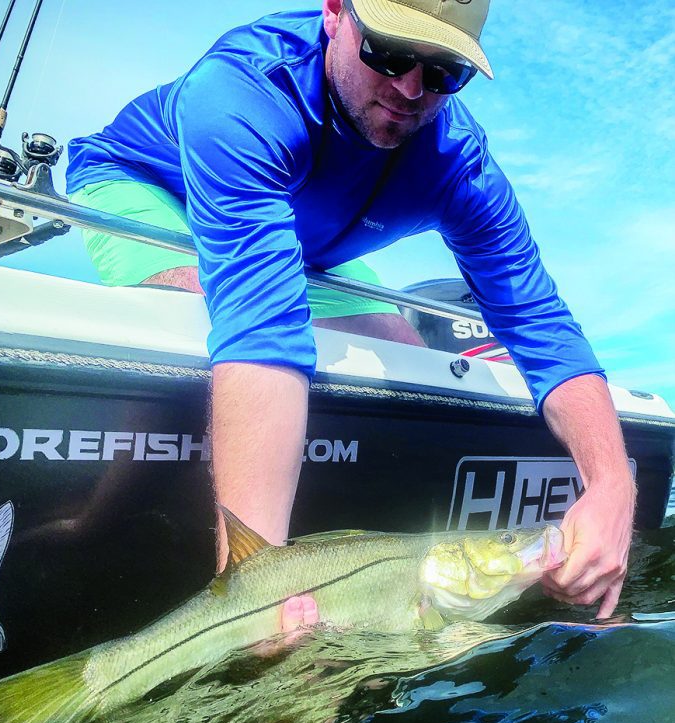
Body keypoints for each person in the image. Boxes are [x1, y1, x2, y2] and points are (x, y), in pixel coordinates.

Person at [66, 0, 635, 622]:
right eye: (388, 53)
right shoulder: (245, 91)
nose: (410, 89)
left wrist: (613, 487)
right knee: (202, 303)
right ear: (336, 13)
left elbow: (537, 320)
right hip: (153, 186)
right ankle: (95, 520)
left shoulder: (460, 162)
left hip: (313, 242)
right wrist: (256, 587)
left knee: (405, 353)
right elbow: (263, 330)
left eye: (444, 72)